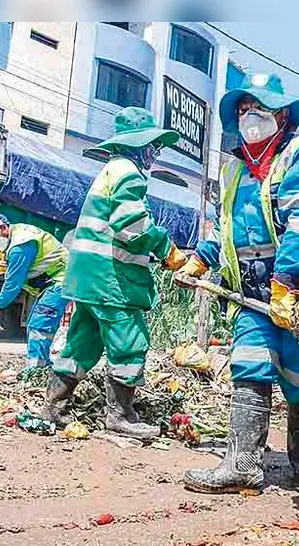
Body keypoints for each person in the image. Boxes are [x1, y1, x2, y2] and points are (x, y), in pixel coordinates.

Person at [177, 72, 299, 493]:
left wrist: (287, 287)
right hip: (252, 290)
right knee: (249, 363)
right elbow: (226, 228)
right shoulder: (236, 169)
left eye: (260, 107)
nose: (250, 116)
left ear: (285, 114)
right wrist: (201, 261)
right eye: (242, 110)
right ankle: (243, 463)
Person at [40, 106, 188, 440]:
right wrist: (166, 249)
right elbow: (131, 226)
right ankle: (121, 415)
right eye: (154, 147)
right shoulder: (129, 174)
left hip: (87, 279)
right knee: (129, 344)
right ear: (141, 146)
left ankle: (53, 407)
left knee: (81, 344)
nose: (156, 153)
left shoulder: (109, 170)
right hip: (112, 281)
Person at [0, 213, 70, 371]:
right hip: (52, 283)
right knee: (34, 325)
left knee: (39, 326)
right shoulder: (17, 235)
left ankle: (35, 372)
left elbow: (13, 285)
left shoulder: (20, 246)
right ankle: (41, 367)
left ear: (3, 227)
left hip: (61, 280)